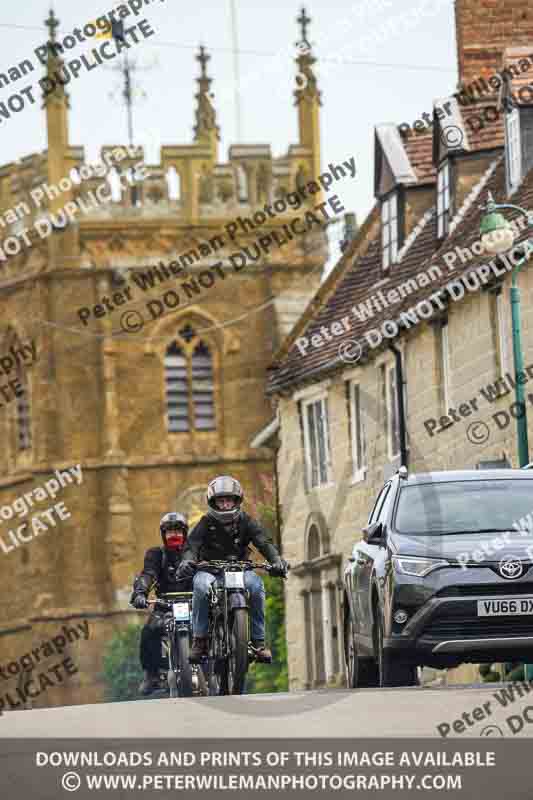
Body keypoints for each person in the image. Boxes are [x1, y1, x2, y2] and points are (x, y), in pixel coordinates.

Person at [178, 476, 288, 662]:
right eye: (221, 501)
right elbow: (192, 545)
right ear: (214, 502)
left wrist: (276, 560)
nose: (226, 504)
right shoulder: (205, 522)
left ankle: (258, 643)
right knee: (200, 587)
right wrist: (188, 561)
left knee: (256, 586)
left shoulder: (246, 521)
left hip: (241, 570)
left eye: (229, 500)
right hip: (210, 571)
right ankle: (200, 640)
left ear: (237, 500)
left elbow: (263, 541)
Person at [130, 512, 191, 695]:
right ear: (163, 535)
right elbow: (148, 574)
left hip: (195, 605)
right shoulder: (156, 554)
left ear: (185, 533)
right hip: (165, 605)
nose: (174, 535)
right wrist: (140, 592)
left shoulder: (196, 552)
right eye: (170, 532)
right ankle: (152, 675)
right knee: (149, 631)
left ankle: (223, 662)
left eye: (178, 531)